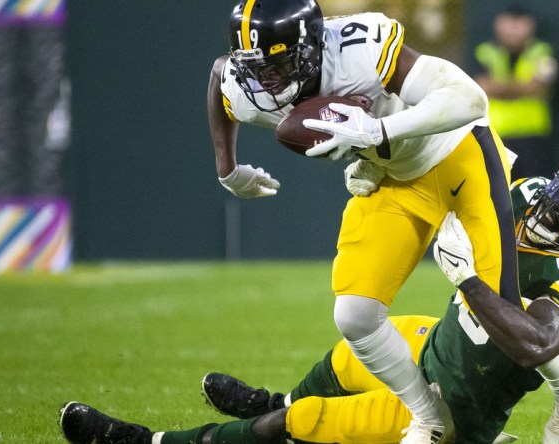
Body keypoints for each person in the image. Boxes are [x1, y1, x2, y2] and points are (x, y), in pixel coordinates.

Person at [58, 159, 559, 444]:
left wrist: (467, 279)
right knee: (346, 352)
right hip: (442, 344)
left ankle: (156, 441)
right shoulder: (532, 202)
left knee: (312, 424)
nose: (546, 205)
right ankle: (274, 399)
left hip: (452, 407)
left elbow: (535, 343)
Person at [209, 1, 523, 441]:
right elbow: (220, 79)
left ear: (311, 47)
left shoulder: (360, 49)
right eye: (256, 66)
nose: (266, 79)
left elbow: (471, 99)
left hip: (456, 156)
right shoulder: (248, 83)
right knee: (355, 315)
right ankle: (431, 419)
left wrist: (378, 132)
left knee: (501, 318)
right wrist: (228, 167)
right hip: (396, 178)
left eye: (278, 63)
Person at [472, 3, 558, 180]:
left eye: (519, 23)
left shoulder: (542, 52)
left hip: (532, 138)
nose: (513, 29)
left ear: (530, 26)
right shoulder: (484, 52)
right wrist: (524, 87)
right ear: (498, 24)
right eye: (508, 23)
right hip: (494, 136)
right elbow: (481, 86)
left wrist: (497, 87)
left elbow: (539, 87)